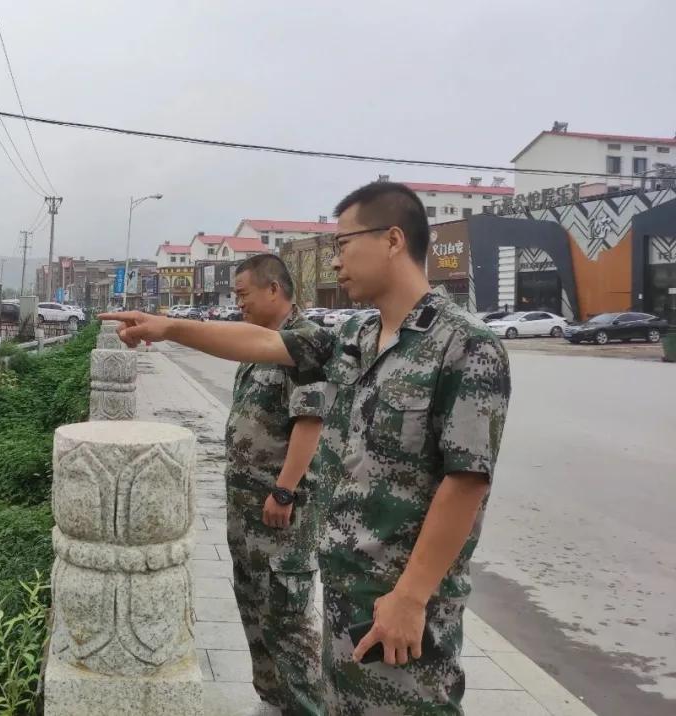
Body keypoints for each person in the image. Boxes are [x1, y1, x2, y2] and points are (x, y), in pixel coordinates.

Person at [101, 181, 511, 715]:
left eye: (343, 244)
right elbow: (268, 344)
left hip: (402, 605)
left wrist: (410, 598)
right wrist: (170, 327)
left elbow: (467, 481)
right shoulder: (359, 336)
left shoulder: (465, 345)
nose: (334, 261)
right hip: (345, 588)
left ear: (392, 239)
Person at [220, 254, 325, 714]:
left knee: (287, 618)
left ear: (274, 291)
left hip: (280, 511)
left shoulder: (303, 345)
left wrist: (284, 489)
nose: (237, 302)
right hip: (247, 508)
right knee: (254, 607)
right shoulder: (262, 344)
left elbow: (310, 421)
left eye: (243, 294)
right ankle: (273, 698)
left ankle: (306, 706)